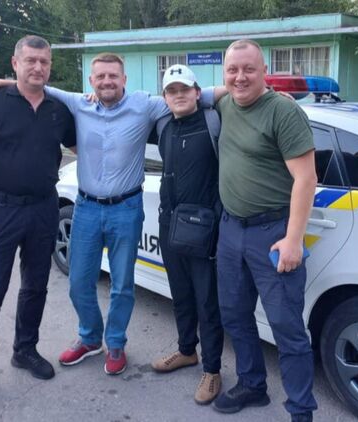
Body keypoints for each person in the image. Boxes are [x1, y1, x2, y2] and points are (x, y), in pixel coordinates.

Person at [0, 54, 220, 376]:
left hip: (126, 208)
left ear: (124, 79)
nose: (107, 81)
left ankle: (115, 343)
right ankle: (89, 338)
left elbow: (199, 94)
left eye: (113, 76)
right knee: (79, 282)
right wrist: (2, 82)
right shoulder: (78, 103)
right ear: (91, 82)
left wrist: (253, 89)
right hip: (87, 208)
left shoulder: (145, 105)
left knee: (122, 285)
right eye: (100, 76)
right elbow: (37, 85)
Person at [0, 35, 76, 412]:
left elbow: (78, 144)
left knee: (36, 287)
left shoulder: (58, 109)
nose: (38, 67)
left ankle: (25, 349)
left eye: (44, 62)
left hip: (43, 209)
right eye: (31, 60)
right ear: (15, 63)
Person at [212, 39, 318, 422]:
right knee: (235, 316)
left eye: (249, 69)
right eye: (232, 70)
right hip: (230, 230)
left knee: (287, 329)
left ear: (264, 72)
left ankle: (301, 411)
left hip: (272, 233)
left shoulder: (282, 112)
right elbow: (189, 94)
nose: (240, 77)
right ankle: (252, 385)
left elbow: (306, 179)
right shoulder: (225, 103)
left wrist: (293, 240)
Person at [150, 64, 224, 405]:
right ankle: (186, 351)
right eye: (172, 91)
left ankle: (212, 370)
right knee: (180, 294)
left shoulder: (214, 121)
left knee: (207, 301)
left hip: (204, 227)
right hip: (169, 224)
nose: (178, 95)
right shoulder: (163, 124)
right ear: (165, 97)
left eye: (185, 89)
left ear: (197, 92)